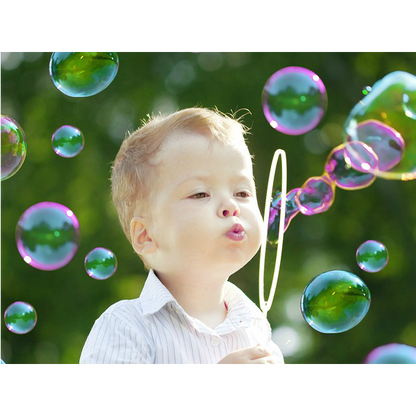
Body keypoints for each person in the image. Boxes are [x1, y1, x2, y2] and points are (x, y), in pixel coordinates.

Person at [79, 107, 285, 367]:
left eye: (242, 193)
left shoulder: (259, 332)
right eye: (200, 193)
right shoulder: (126, 326)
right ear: (146, 236)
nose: (231, 206)